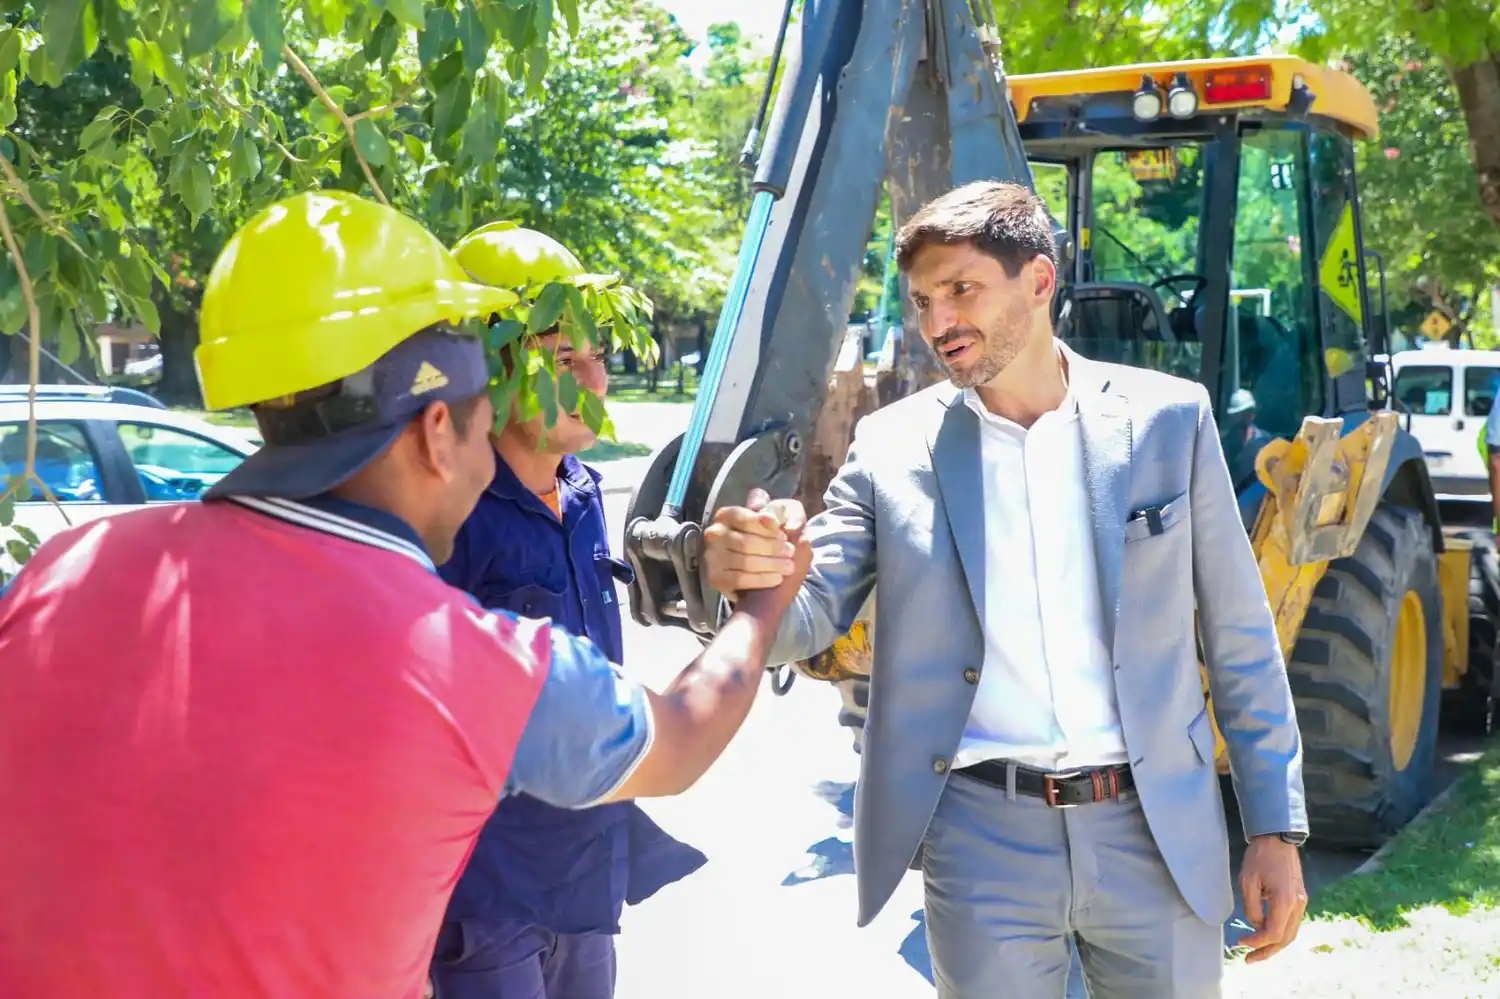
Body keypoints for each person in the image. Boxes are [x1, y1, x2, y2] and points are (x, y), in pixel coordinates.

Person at [0, 190, 810, 999]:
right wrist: (762, 604)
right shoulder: (458, 657)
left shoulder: (65, 568)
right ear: (434, 431)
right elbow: (680, 739)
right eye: (481, 409)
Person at [702, 181, 1309, 998]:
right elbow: (803, 618)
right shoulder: (889, 448)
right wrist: (753, 576)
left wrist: (1274, 826)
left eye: (962, 290)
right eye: (922, 300)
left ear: (1039, 281)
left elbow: (1241, 637)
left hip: (1156, 826)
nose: (938, 321)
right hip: (981, 834)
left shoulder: (1170, 419)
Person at [426, 222, 706, 998]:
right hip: (485, 897)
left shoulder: (583, 492)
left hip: (586, 878)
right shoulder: (450, 513)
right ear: (489, 367)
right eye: (560, 360)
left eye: (599, 357)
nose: (592, 381)